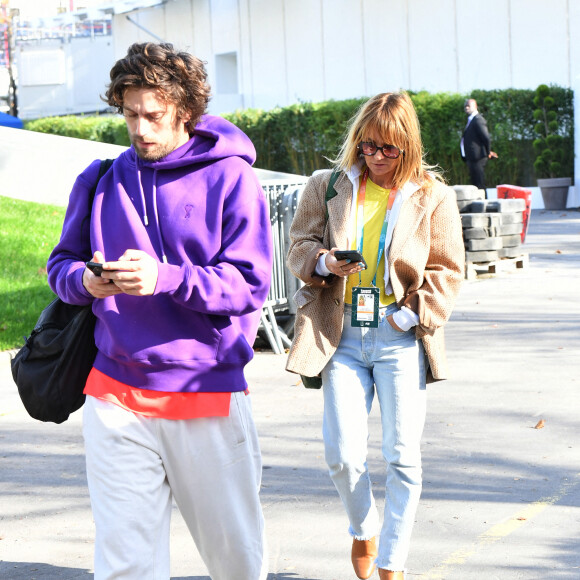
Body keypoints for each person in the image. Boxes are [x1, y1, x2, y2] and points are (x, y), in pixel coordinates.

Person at [47, 42, 272, 580]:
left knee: (236, 562)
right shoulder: (101, 179)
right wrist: (86, 282)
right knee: (126, 566)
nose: (141, 129)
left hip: (205, 393)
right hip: (114, 397)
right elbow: (61, 266)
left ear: (185, 111)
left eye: (154, 116)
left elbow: (249, 285)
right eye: (130, 115)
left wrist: (165, 278)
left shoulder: (231, 178)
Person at [286, 92, 465, 580]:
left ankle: (392, 562)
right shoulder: (327, 185)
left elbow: (448, 271)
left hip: (398, 336)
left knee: (403, 456)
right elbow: (299, 244)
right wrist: (323, 262)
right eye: (368, 147)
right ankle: (363, 526)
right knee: (342, 455)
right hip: (338, 331)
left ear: (408, 144)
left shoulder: (433, 196)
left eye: (389, 148)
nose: (377, 157)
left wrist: (407, 318)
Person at [460, 98, 498, 196]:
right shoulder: (471, 120)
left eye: (469, 105)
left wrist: (488, 151)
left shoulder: (478, 119)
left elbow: (486, 138)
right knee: (476, 182)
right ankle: (479, 203)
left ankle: (483, 204)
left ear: (475, 106)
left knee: (479, 182)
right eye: (465, 106)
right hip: (471, 157)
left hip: (478, 157)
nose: (466, 107)